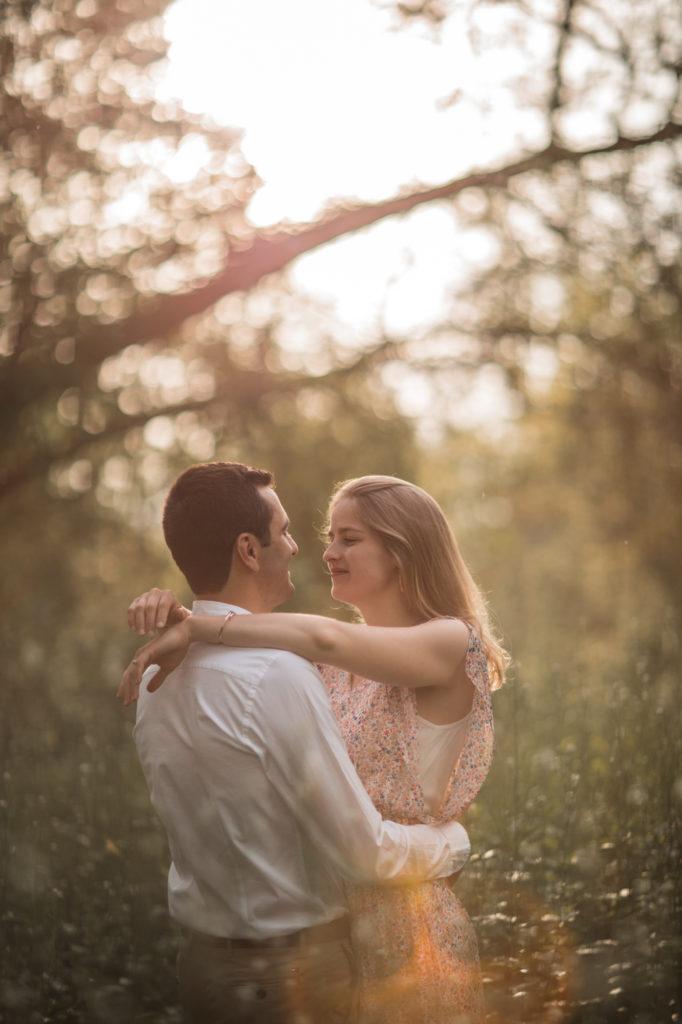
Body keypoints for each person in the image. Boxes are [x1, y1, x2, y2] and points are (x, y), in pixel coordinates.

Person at [123, 462, 473, 1024]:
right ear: (248, 550)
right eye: (285, 531)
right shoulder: (279, 673)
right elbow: (366, 853)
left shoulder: (155, 672)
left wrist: (192, 619)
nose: (301, 548)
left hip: (205, 969)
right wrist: (455, 842)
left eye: (346, 538)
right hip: (292, 978)